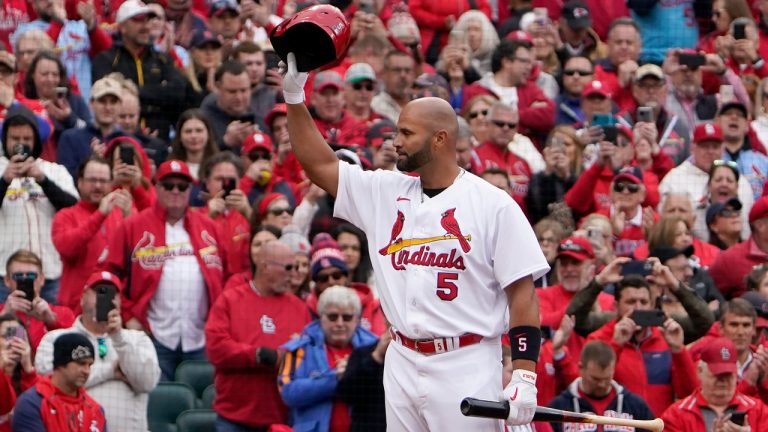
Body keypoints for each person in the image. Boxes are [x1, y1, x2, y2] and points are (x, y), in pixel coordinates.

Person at [283, 49, 550, 430]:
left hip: (466, 360)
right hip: (402, 357)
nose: (396, 141)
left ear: (440, 139)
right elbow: (320, 164)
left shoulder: (492, 204)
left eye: (407, 133)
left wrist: (525, 375)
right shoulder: (384, 191)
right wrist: (295, 98)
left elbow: (522, 294)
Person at [103, 160, 225, 380]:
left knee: (199, 407)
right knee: (157, 404)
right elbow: (108, 275)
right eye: (169, 185)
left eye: (182, 186)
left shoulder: (209, 228)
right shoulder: (133, 226)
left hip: (201, 337)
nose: (176, 191)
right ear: (157, 187)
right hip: (152, 336)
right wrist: (128, 314)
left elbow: (232, 277)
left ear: (191, 190)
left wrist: (221, 321)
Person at [34, 271, 161, 431]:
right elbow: (47, 381)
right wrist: (109, 371)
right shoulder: (57, 339)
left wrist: (119, 338)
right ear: (82, 298)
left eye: (112, 294)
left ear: (120, 302)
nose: (106, 299)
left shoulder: (137, 339)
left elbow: (147, 383)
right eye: (100, 292)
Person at [206, 240, 311, 431]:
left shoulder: (300, 308)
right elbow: (216, 348)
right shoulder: (230, 300)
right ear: (265, 267)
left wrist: (287, 360)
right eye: (288, 267)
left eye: (296, 267)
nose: (294, 274)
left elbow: (309, 354)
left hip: (282, 419)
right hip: (234, 418)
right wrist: (259, 355)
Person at [585, 275, 698, 416]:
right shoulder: (599, 340)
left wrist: (678, 350)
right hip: (618, 426)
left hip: (658, 427)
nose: (638, 308)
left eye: (644, 302)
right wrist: (616, 345)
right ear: (616, 306)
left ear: (651, 306)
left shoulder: (666, 339)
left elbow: (689, 393)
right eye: (631, 302)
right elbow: (592, 388)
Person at [0, 107, 78, 303]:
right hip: (5, 277)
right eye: (15, 139)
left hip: (49, 274)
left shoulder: (54, 171)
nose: (21, 144)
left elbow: (74, 209)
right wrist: (5, 181)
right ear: (5, 140)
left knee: (50, 331)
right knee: (9, 332)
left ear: (35, 140)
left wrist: (42, 179)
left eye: (26, 139)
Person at [278, 286, 379, 432]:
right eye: (332, 317)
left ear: (357, 319)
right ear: (321, 317)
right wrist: (336, 379)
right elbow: (288, 392)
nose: (339, 323)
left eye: (347, 317)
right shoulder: (299, 347)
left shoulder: (375, 348)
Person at [91, 0, 187, 142]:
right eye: (138, 20)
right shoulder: (106, 59)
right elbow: (107, 98)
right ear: (122, 26)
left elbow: (178, 92)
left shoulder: (162, 60)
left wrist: (132, 90)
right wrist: (158, 94)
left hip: (159, 140)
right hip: (115, 140)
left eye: (148, 20)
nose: (146, 26)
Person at [52, 156, 130, 312]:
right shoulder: (65, 216)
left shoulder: (121, 213)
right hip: (76, 308)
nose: (98, 186)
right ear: (80, 182)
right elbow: (67, 248)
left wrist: (130, 220)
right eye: (92, 180)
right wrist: (100, 215)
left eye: (104, 181)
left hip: (113, 304)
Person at [662, 337, 768, 432]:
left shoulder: (758, 410)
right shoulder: (677, 415)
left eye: (728, 375)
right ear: (699, 371)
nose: (723, 381)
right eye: (717, 374)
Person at [546, 340, 654, 432]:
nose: (601, 384)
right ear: (581, 368)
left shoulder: (635, 406)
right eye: (595, 378)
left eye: (607, 378)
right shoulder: (558, 408)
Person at [11, 332, 107, 432]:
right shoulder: (32, 403)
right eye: (81, 363)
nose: (86, 371)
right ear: (61, 363)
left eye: (89, 365)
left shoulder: (95, 410)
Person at [659, 123, 754, 217]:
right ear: (693, 148)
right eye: (705, 146)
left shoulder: (738, 180)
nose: (710, 151)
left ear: (723, 149)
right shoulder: (674, 179)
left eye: (715, 146)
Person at [0, 250, 75, 352]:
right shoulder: (3, 311)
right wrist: (4, 316)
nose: (25, 280)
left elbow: (74, 349)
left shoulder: (62, 313)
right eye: (18, 276)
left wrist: (52, 321)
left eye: (31, 276)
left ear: (42, 279)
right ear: (7, 281)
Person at [57, 76, 123, 181]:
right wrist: (91, 161)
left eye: (113, 102)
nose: (108, 107)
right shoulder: (70, 139)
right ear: (91, 104)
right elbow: (65, 182)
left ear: (120, 105)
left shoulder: (128, 141)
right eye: (102, 101)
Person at [710, 196, 768, 299]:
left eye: (737, 212)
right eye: (726, 213)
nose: (733, 216)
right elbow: (709, 297)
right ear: (760, 225)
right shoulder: (729, 259)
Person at [201, 60, 260, 152]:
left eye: (243, 90)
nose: (239, 97)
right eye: (232, 91)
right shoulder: (204, 120)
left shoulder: (259, 113)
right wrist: (225, 142)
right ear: (218, 88)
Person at [169, 108, 220, 182]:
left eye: (199, 130)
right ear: (180, 136)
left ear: (208, 134)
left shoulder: (220, 166)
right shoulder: (170, 167)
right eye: (188, 131)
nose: (193, 136)